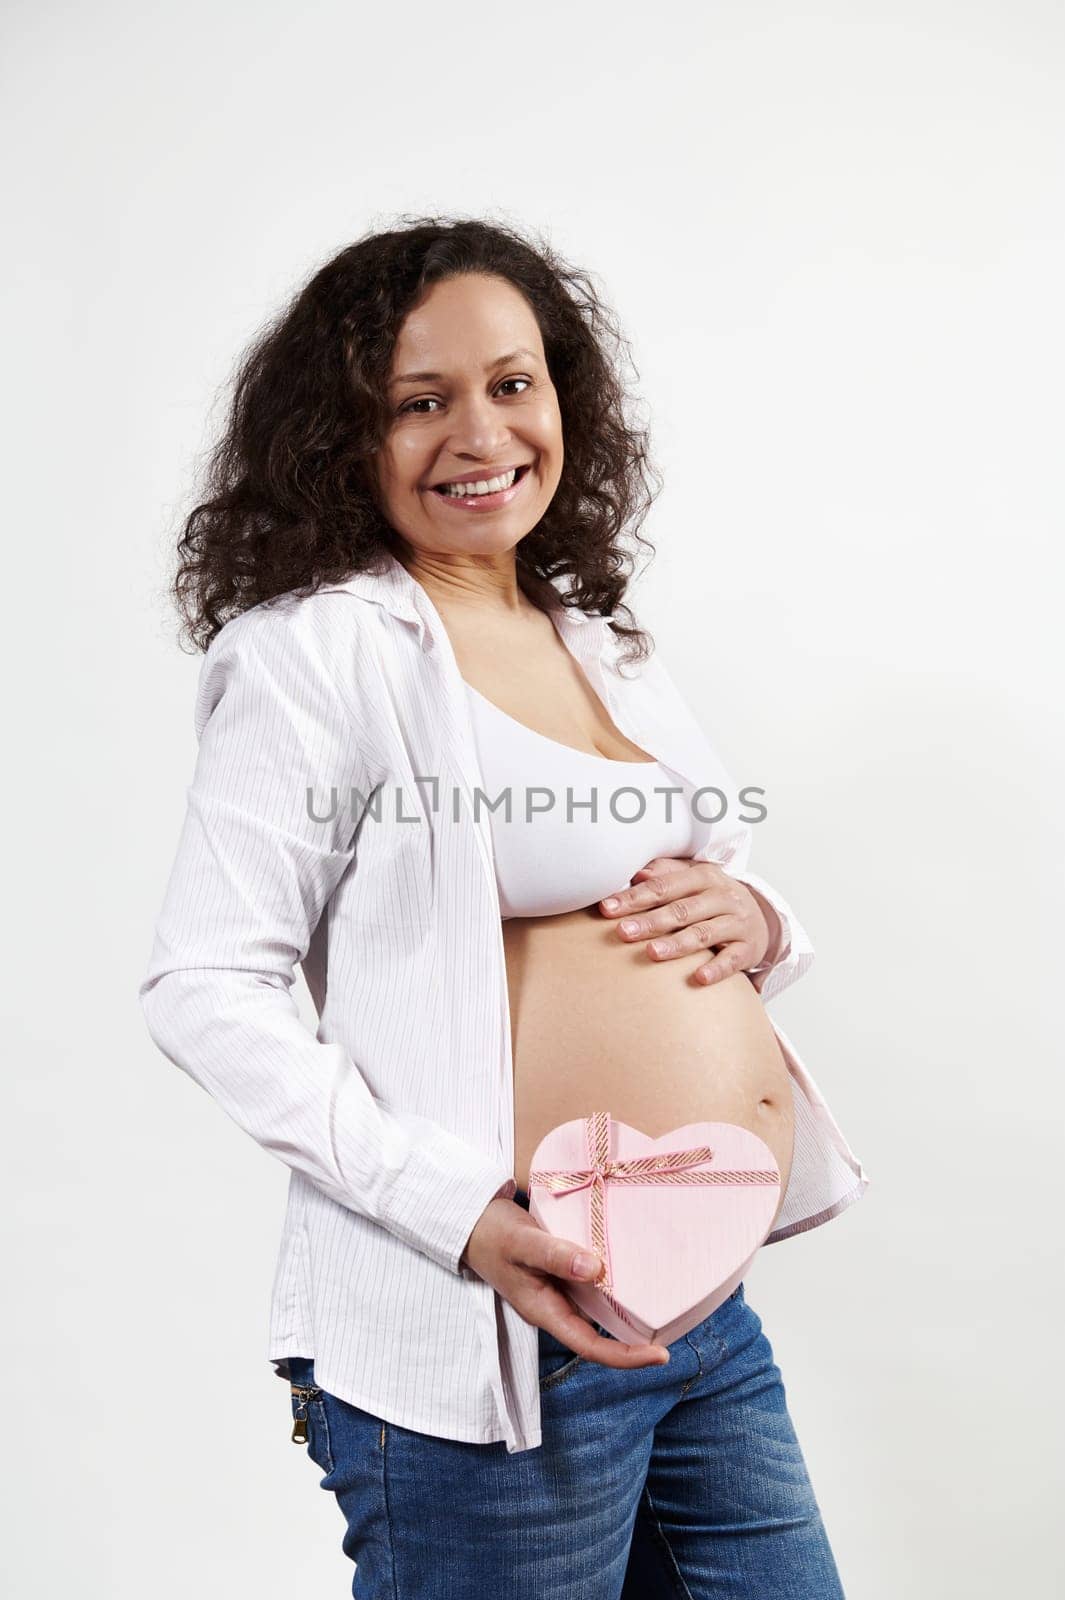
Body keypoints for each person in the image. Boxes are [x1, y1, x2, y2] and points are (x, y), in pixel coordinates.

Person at [139, 215, 869, 1597]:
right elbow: (204, 987)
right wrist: (458, 1207)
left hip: (702, 1317)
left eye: (511, 384)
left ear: (563, 398)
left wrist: (761, 922)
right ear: (339, 437)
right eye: (420, 403)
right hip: (490, 1321)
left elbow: (712, 881)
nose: (480, 434)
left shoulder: (591, 634)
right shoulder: (318, 654)